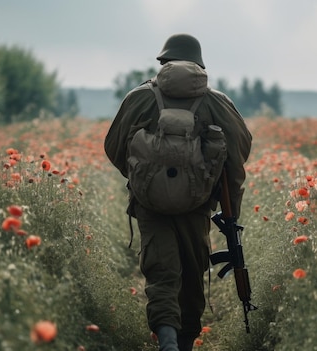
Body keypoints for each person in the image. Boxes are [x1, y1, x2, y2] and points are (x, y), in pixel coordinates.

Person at [104, 33, 252, 351]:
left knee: (161, 272)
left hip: (150, 205)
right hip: (197, 205)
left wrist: (143, 180)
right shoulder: (217, 102)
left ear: (163, 62)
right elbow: (237, 157)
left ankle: (167, 342)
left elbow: (114, 146)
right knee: (191, 272)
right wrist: (228, 208)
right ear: (198, 64)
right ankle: (184, 343)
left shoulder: (139, 98)